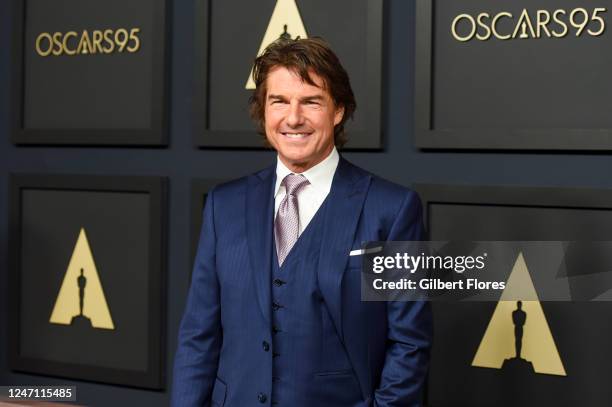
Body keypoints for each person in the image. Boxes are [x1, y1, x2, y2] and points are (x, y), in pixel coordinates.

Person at [172, 37, 432, 407]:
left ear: (338, 110)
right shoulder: (223, 205)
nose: (293, 118)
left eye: (311, 101)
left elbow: (409, 342)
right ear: (263, 110)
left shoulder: (392, 209)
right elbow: (198, 335)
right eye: (279, 101)